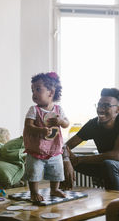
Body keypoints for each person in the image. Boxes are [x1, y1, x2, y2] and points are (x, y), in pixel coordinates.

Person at [61, 88, 119, 191]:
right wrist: (66, 160)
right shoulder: (93, 124)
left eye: (106, 106)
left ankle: (114, 204)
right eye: (99, 105)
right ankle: (63, 194)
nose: (101, 109)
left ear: (118, 109)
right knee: (63, 159)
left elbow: (116, 156)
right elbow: (65, 146)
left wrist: (79, 159)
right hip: (102, 165)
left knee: (109, 164)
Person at [23, 72, 69, 202]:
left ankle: (54, 189)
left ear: (51, 92)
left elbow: (66, 123)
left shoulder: (58, 110)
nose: (34, 93)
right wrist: (40, 130)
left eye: (38, 89)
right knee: (34, 171)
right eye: (32, 90)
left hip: (54, 149)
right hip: (36, 149)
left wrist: (61, 122)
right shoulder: (34, 110)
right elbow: (28, 126)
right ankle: (34, 192)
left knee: (57, 171)